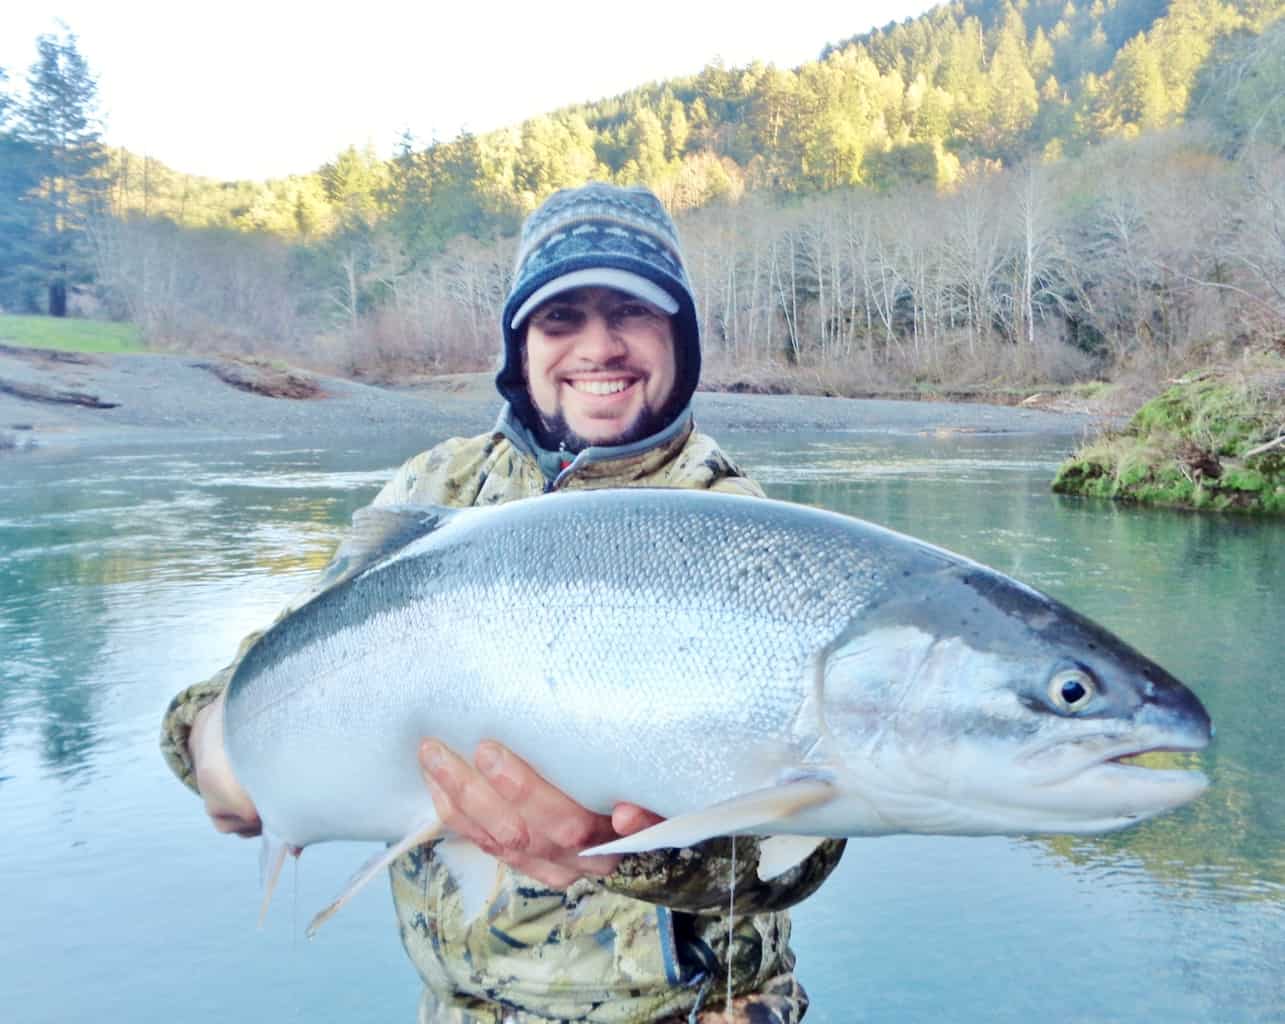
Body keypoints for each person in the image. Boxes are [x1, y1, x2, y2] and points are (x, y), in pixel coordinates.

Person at [161, 183, 845, 1023]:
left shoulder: (740, 526)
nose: (600, 346)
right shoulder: (433, 489)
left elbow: (800, 853)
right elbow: (282, 665)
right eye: (562, 319)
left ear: (679, 338)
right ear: (521, 345)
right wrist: (205, 745)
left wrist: (616, 853)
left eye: (631, 311)